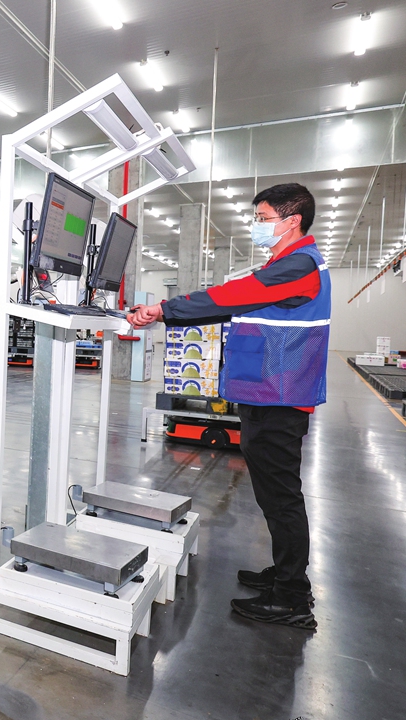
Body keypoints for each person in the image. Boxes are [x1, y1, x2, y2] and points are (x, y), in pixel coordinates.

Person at [129, 182, 329, 630]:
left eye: (263, 219)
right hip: (265, 393)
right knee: (273, 494)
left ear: (292, 220)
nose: (258, 227)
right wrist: (169, 313)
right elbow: (229, 307)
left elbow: (230, 297)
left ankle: (294, 598)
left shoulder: (299, 265)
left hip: (280, 396)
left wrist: (162, 309)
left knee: (281, 499)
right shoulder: (285, 265)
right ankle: (283, 575)